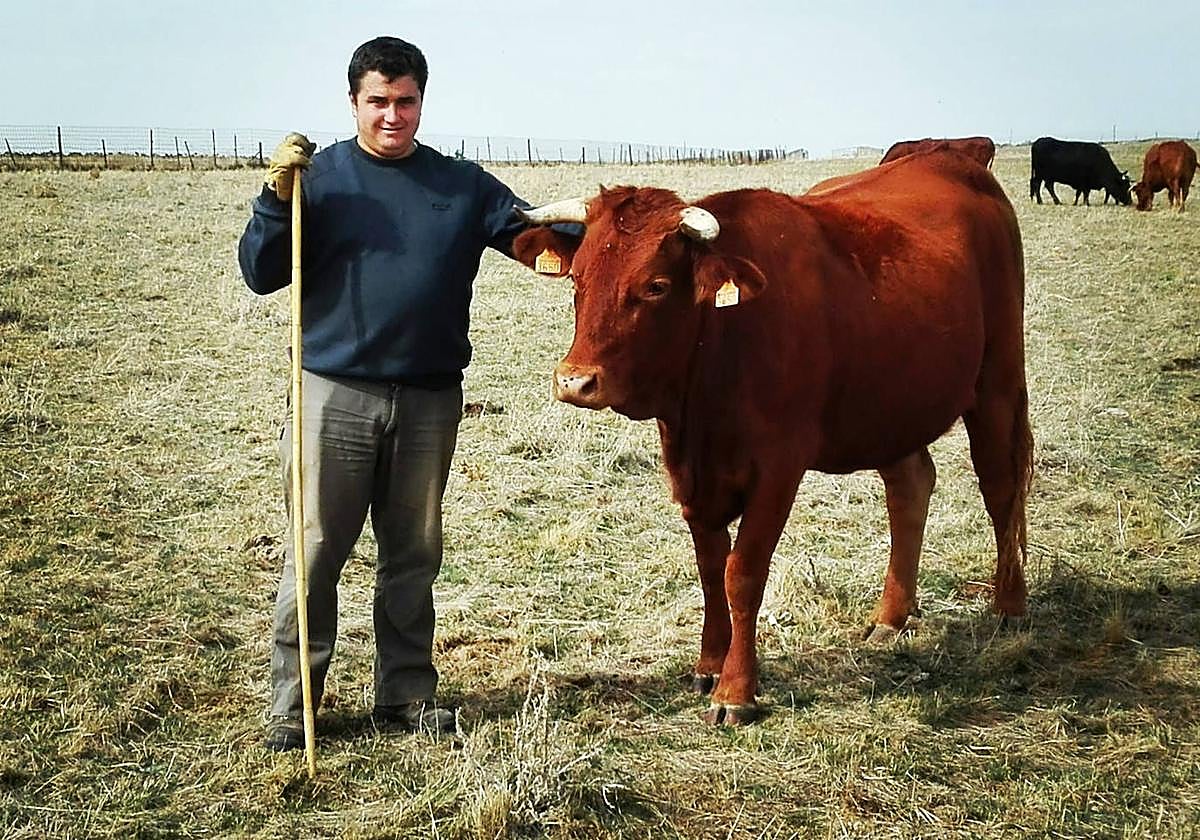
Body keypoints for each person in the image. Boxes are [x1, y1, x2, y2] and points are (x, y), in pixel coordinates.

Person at [238, 35, 551, 752]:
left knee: (412, 554)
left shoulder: (462, 186)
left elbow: (537, 239)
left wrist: (618, 227)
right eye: (377, 101)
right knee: (315, 554)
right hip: (332, 396)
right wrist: (274, 200)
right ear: (353, 102)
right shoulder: (319, 181)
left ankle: (406, 695)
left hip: (430, 402)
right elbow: (260, 274)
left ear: (421, 101)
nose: (392, 115)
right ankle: (296, 710)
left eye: (405, 101)